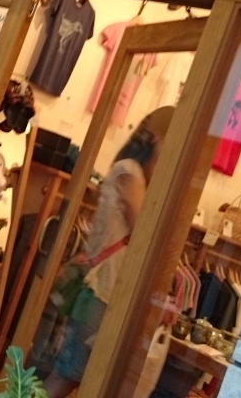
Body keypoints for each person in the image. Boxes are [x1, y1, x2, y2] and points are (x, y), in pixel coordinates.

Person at [43, 106, 175, 398]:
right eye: (173, 140)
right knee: (67, 376)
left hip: (109, 294)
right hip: (102, 292)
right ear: (158, 138)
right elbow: (143, 232)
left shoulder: (138, 176)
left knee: (80, 378)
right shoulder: (129, 172)